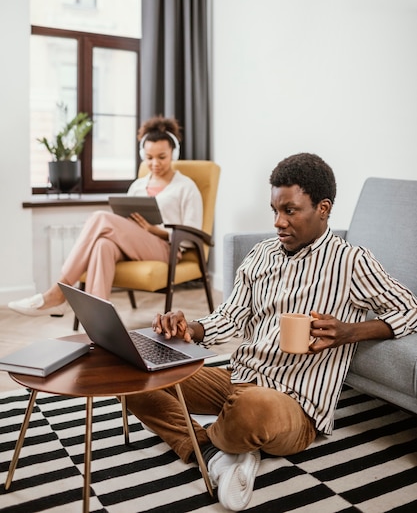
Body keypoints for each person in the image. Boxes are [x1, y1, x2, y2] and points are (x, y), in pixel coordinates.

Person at [124, 152, 417, 512]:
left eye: (290, 210)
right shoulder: (262, 254)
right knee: (134, 373)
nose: (278, 222)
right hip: (237, 379)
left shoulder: (351, 261)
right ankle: (215, 452)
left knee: (251, 408)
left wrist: (350, 331)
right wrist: (191, 328)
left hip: (293, 404)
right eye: (275, 210)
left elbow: (410, 308)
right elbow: (230, 317)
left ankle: (230, 436)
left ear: (323, 208)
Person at [8, 115, 203, 317]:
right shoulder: (137, 186)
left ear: (174, 153)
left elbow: (192, 233)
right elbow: (125, 222)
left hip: (165, 249)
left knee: (100, 218)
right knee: (103, 245)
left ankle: (59, 291)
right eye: (149, 157)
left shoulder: (186, 187)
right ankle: (98, 321)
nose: (155, 163)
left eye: (161, 157)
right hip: (133, 245)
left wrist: (153, 230)